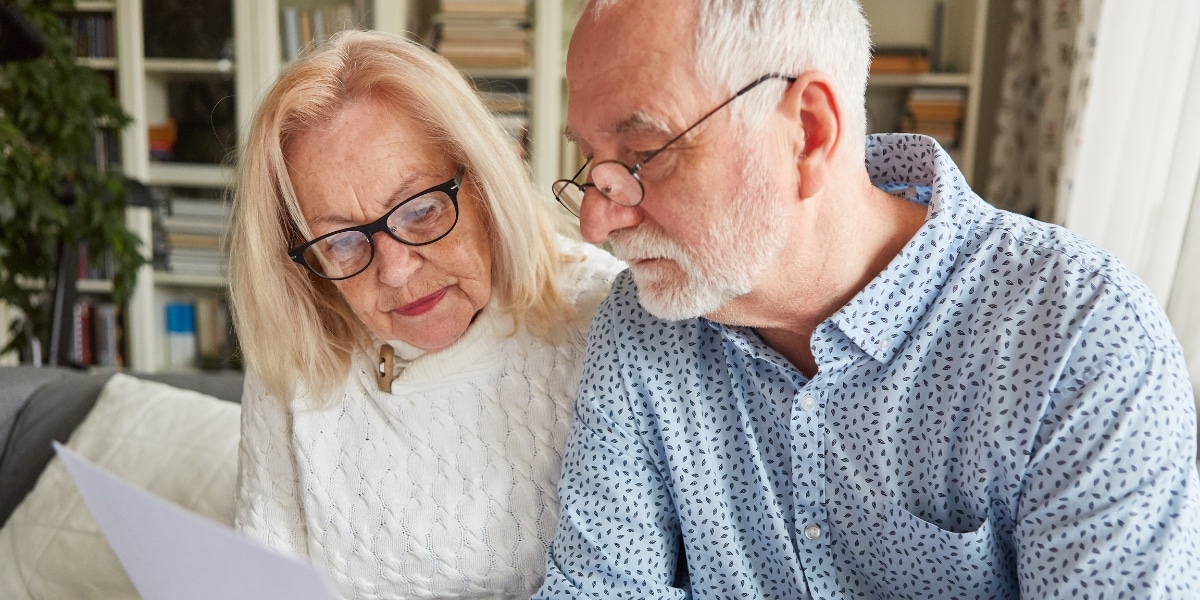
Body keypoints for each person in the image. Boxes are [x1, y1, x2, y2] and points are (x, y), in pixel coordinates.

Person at [534, 0, 1200, 598]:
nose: (596, 224)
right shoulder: (642, 322)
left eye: (645, 154)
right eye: (593, 165)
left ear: (810, 132)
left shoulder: (1082, 337)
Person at [227, 30, 624, 599]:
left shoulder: (604, 320)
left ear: (486, 181)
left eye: (420, 209)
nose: (393, 270)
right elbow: (261, 580)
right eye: (339, 241)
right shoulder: (298, 348)